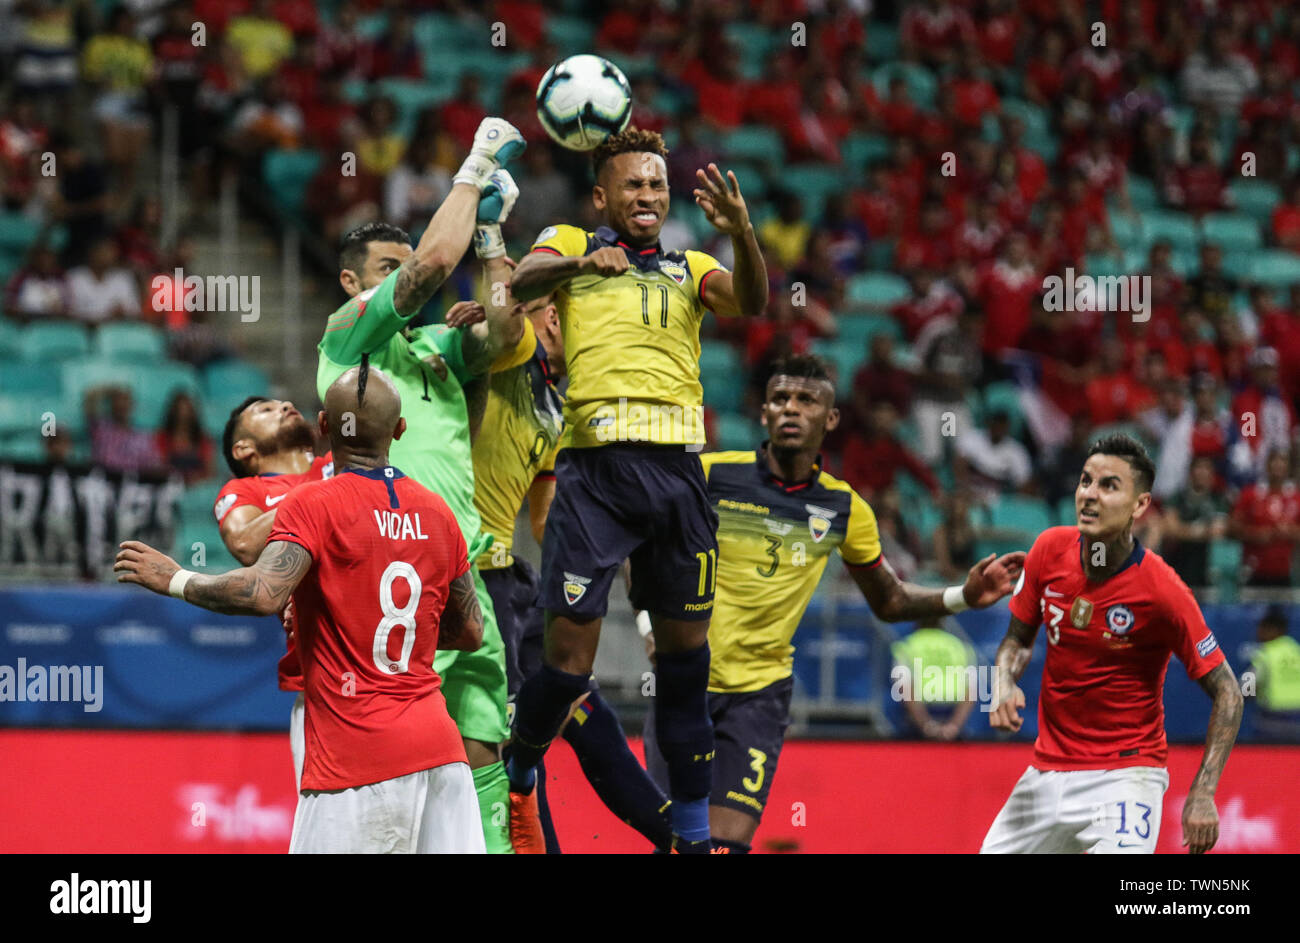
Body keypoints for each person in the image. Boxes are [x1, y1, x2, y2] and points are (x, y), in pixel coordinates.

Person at [505, 126, 769, 852]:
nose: (648, 195)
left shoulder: (691, 267)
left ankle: (689, 838)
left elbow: (752, 301)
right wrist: (580, 261)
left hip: (679, 478)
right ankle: (521, 769)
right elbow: (516, 284)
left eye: (657, 184)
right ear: (602, 195)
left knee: (686, 669)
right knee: (565, 669)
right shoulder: (568, 241)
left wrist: (742, 232)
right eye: (633, 184)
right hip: (595, 475)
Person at [639, 355, 1023, 852]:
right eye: (779, 399)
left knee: (721, 848)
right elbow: (641, 547)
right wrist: (650, 625)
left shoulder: (844, 508)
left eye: (806, 400)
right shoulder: (709, 477)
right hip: (685, 682)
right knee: (673, 842)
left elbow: (890, 600)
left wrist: (962, 596)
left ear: (831, 418)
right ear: (763, 413)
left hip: (758, 697)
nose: (791, 410)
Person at [115, 366, 486, 853]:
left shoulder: (314, 501)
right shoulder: (439, 513)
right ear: (399, 431)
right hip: (441, 750)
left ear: (325, 429)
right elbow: (470, 631)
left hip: (355, 747)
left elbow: (263, 591)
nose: (279, 408)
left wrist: (177, 579)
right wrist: (370, 615)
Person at [315, 115, 527, 854]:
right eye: (384, 268)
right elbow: (434, 266)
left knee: (482, 753)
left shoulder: (438, 347)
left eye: (398, 266)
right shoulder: (345, 338)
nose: (401, 277)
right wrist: (475, 166)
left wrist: (494, 238)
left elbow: (504, 332)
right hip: (396, 577)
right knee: (407, 768)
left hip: (464, 567)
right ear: (352, 283)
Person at [983, 434, 1242, 854]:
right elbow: (1016, 639)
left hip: (1126, 779)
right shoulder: (1048, 551)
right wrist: (1004, 680)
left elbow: (1229, 691)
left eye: (1109, 486)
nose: (1089, 495)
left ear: (1140, 505)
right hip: (1046, 772)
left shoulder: (1163, 592)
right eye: (1086, 481)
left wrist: (1202, 792)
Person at [214, 396, 335, 787]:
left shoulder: (338, 465)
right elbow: (247, 543)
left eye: (282, 403)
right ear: (244, 449)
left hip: (410, 669)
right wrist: (325, 490)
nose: (283, 404)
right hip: (326, 685)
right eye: (264, 410)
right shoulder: (244, 491)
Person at [1229, 448, 1300, 589]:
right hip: (1253, 570)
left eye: (1282, 461)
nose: (1278, 465)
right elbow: (1232, 527)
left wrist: (1291, 532)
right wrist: (1255, 534)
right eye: (1274, 461)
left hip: (1289, 572)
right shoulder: (1250, 494)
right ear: (1267, 465)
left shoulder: (1296, 497)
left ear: (1289, 467)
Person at [1249, 606, 1300, 742]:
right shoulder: (1295, 649)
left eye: (1263, 627)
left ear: (1275, 630)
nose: (1258, 632)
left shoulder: (1265, 653)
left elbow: (1246, 688)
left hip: (1273, 721)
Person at [155, 393, 213, 485]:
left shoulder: (203, 440)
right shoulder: (163, 438)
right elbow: (158, 467)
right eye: (179, 410)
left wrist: (196, 478)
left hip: (197, 487)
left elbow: (210, 472)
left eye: (187, 410)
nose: (183, 415)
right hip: (170, 486)